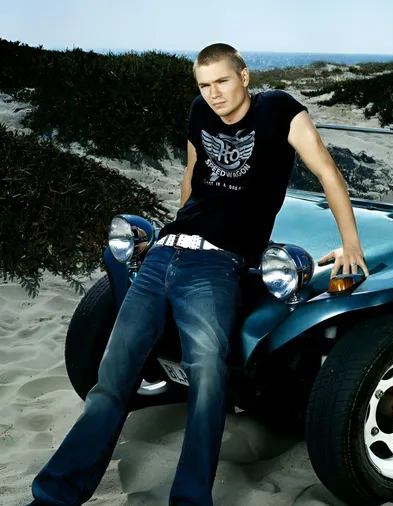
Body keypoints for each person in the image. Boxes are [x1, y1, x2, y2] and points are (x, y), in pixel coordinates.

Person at [29, 43, 368, 506]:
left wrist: (351, 243)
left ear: (244, 77)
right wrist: (179, 223)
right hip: (164, 254)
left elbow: (327, 171)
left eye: (222, 81)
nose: (213, 93)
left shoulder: (279, 110)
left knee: (207, 380)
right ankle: (54, 496)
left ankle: (190, 500)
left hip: (216, 265)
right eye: (204, 85)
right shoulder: (200, 111)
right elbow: (193, 172)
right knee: (112, 379)